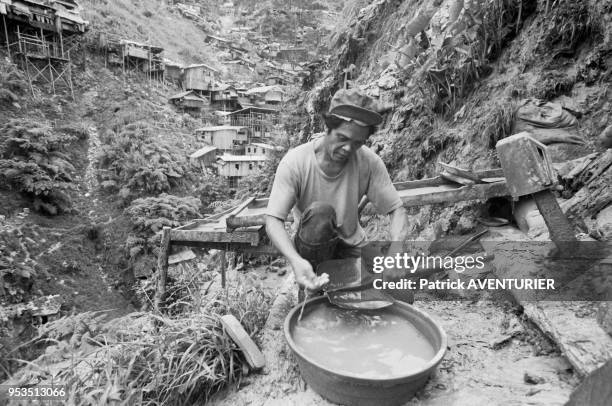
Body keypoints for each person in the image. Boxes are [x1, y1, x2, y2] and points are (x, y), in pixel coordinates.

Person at [265, 88, 408, 295]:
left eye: (357, 143)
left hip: (352, 245)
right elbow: (273, 220)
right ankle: (312, 287)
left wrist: (396, 251)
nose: (348, 149)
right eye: (342, 138)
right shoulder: (295, 162)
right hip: (313, 246)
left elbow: (397, 211)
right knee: (320, 213)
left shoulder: (369, 162)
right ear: (327, 128)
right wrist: (296, 261)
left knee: (399, 294)